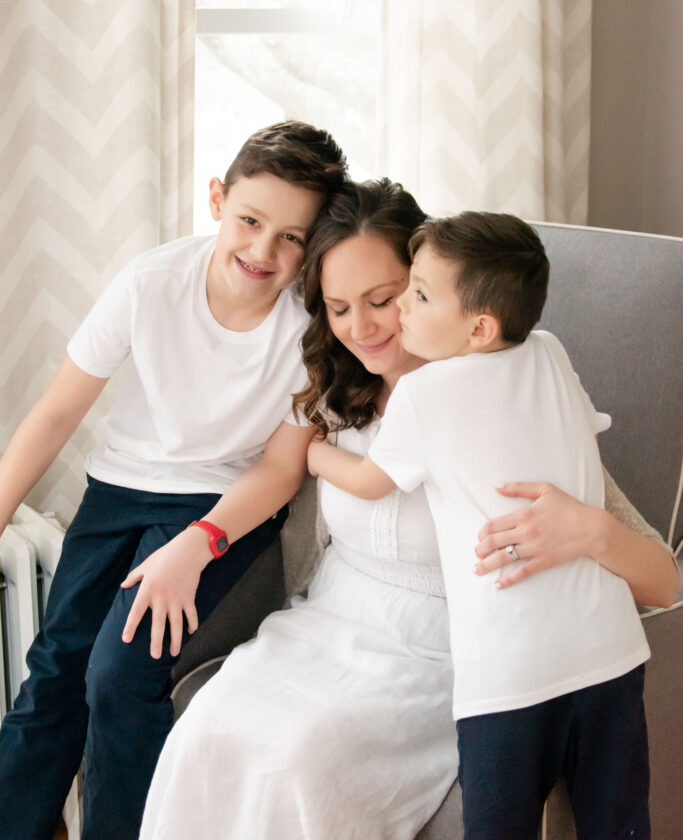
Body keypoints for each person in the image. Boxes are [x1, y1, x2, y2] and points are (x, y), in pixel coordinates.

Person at [140, 181, 677, 840]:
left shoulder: (509, 403)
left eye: (387, 300)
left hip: (441, 653)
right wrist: (196, 542)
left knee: (299, 762)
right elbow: (280, 469)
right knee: (205, 732)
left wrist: (589, 530)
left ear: (437, 294)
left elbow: (662, 580)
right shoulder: (336, 392)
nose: (360, 328)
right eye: (338, 307)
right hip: (324, 630)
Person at [0, 121, 347, 840]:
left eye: (291, 238)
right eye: (251, 221)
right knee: (56, 671)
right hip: (116, 492)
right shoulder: (151, 281)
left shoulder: (310, 327)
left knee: (119, 676)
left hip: (220, 504)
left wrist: (196, 544)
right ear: (217, 200)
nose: (263, 250)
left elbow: (282, 468)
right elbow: (58, 411)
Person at [307, 210, 675, 840]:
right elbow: (581, 436)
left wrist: (313, 453)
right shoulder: (551, 351)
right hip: (610, 653)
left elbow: (371, 480)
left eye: (416, 297)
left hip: (510, 675)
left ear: (479, 327)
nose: (399, 313)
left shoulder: (426, 396)